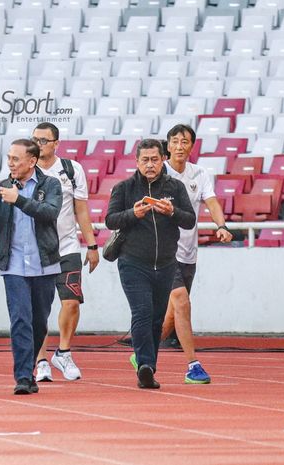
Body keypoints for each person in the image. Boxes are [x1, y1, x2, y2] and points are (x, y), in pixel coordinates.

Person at [0, 139, 62, 395]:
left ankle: (29, 366)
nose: (10, 163)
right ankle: (23, 375)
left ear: (32, 161)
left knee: (39, 323)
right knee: (20, 319)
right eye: (9, 158)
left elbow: (49, 213)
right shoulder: (1, 188)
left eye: (15, 158)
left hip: (45, 265)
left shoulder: (50, 184)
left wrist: (19, 200)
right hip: (13, 265)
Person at [105, 138, 195, 389]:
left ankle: (148, 365)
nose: (150, 164)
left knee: (156, 318)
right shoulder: (124, 188)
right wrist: (132, 214)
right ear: (137, 162)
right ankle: (145, 365)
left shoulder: (175, 187)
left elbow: (189, 220)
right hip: (133, 262)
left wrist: (172, 212)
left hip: (166, 262)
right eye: (145, 160)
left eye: (155, 159)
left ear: (163, 159)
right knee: (142, 312)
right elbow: (110, 220)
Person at [161, 124, 233, 384]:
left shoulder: (200, 174)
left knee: (170, 316)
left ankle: (143, 351)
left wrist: (221, 226)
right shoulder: (158, 172)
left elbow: (211, 201)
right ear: (167, 145)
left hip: (188, 253)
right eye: (175, 141)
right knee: (181, 302)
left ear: (192, 146)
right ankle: (193, 365)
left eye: (185, 142)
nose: (180, 146)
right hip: (163, 252)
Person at [30, 122, 99, 382]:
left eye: (44, 140)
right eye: (35, 139)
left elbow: (81, 210)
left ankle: (64, 352)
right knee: (39, 308)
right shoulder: (26, 168)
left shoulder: (71, 170)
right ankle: (41, 360)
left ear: (56, 143)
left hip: (68, 245)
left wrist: (92, 245)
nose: (39, 144)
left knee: (71, 301)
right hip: (35, 249)